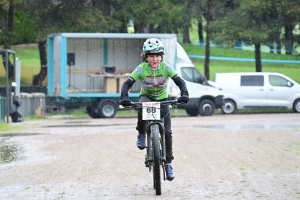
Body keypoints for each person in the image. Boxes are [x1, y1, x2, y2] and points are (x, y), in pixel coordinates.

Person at [119, 38, 189, 181]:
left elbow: (180, 81)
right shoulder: (141, 69)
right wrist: (124, 97)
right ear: (146, 57)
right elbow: (127, 83)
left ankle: (168, 163)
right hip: (147, 96)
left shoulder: (166, 68)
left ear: (161, 56)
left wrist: (184, 94)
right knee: (141, 105)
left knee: (168, 132)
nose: (154, 59)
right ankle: (141, 132)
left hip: (163, 99)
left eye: (157, 55)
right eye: (151, 56)